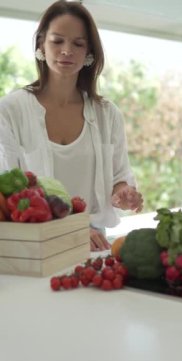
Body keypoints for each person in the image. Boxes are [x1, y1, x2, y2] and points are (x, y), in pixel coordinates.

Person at [0, 0, 143, 251]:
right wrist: (70, 230)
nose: (67, 50)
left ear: (89, 53)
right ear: (41, 44)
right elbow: (9, 195)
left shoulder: (107, 114)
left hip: (95, 243)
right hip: (33, 244)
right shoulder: (10, 110)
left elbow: (119, 177)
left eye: (78, 43)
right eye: (57, 41)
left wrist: (123, 193)